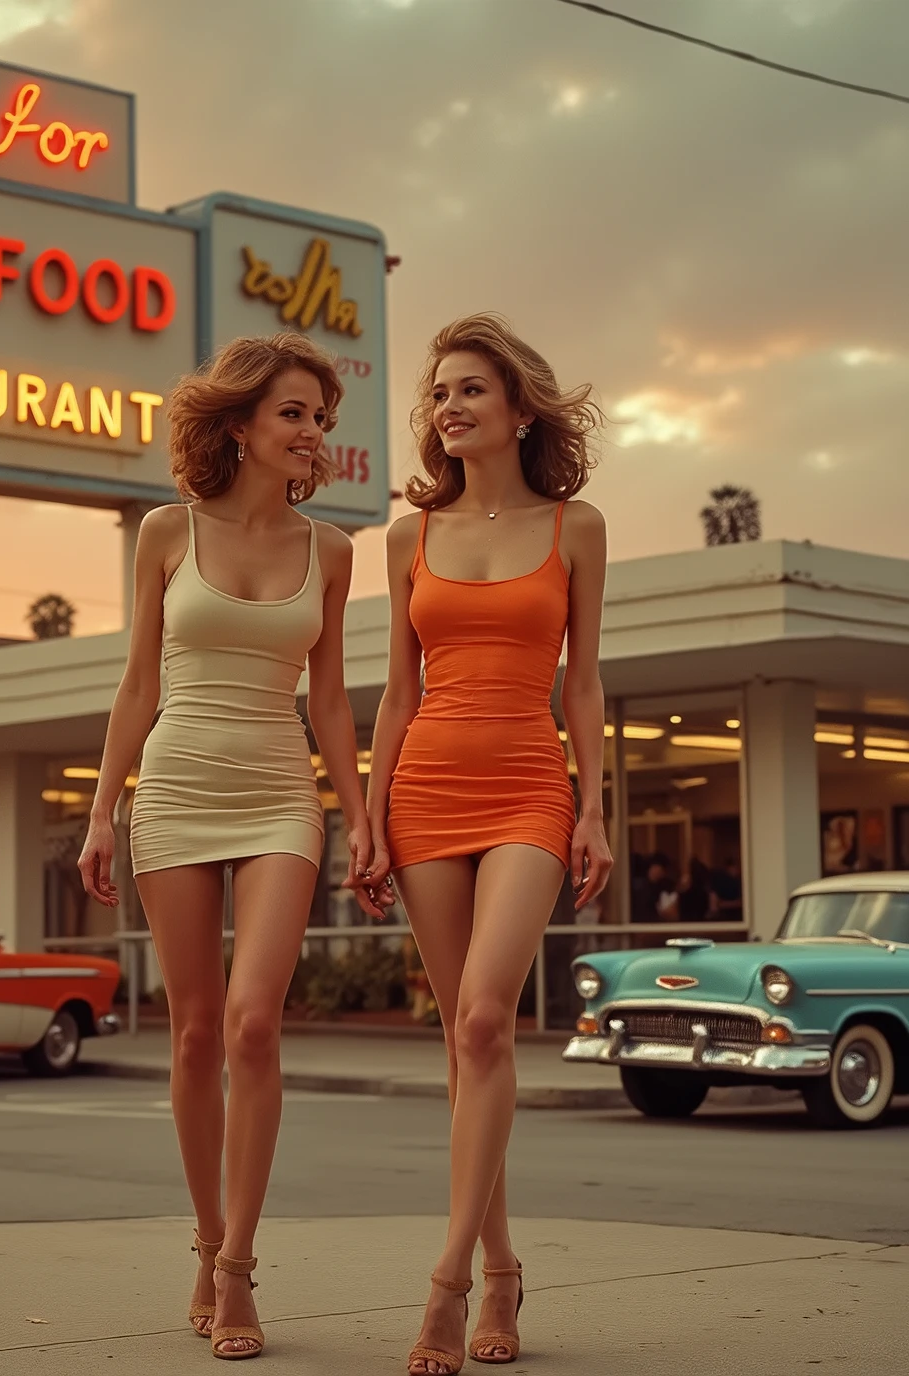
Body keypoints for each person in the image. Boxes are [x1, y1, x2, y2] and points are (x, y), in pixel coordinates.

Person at [76, 333, 381, 1362]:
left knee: (254, 1021)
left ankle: (241, 1261)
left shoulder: (332, 551)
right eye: (294, 413)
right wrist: (97, 810)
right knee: (196, 1029)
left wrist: (360, 813)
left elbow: (332, 698)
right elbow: (136, 683)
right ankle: (203, 1238)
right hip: (174, 785)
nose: (312, 434)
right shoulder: (168, 530)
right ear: (241, 423)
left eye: (320, 418)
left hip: (275, 793)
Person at [364, 313, 611, 1374]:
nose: (446, 407)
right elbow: (394, 689)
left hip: (525, 787)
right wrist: (366, 820)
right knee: (468, 1048)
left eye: (468, 389)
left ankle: (448, 1281)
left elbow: (586, 680)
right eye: (437, 394)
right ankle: (502, 1268)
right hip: (423, 787)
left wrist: (594, 805)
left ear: (517, 408)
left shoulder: (575, 526)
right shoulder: (405, 535)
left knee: (482, 1016)